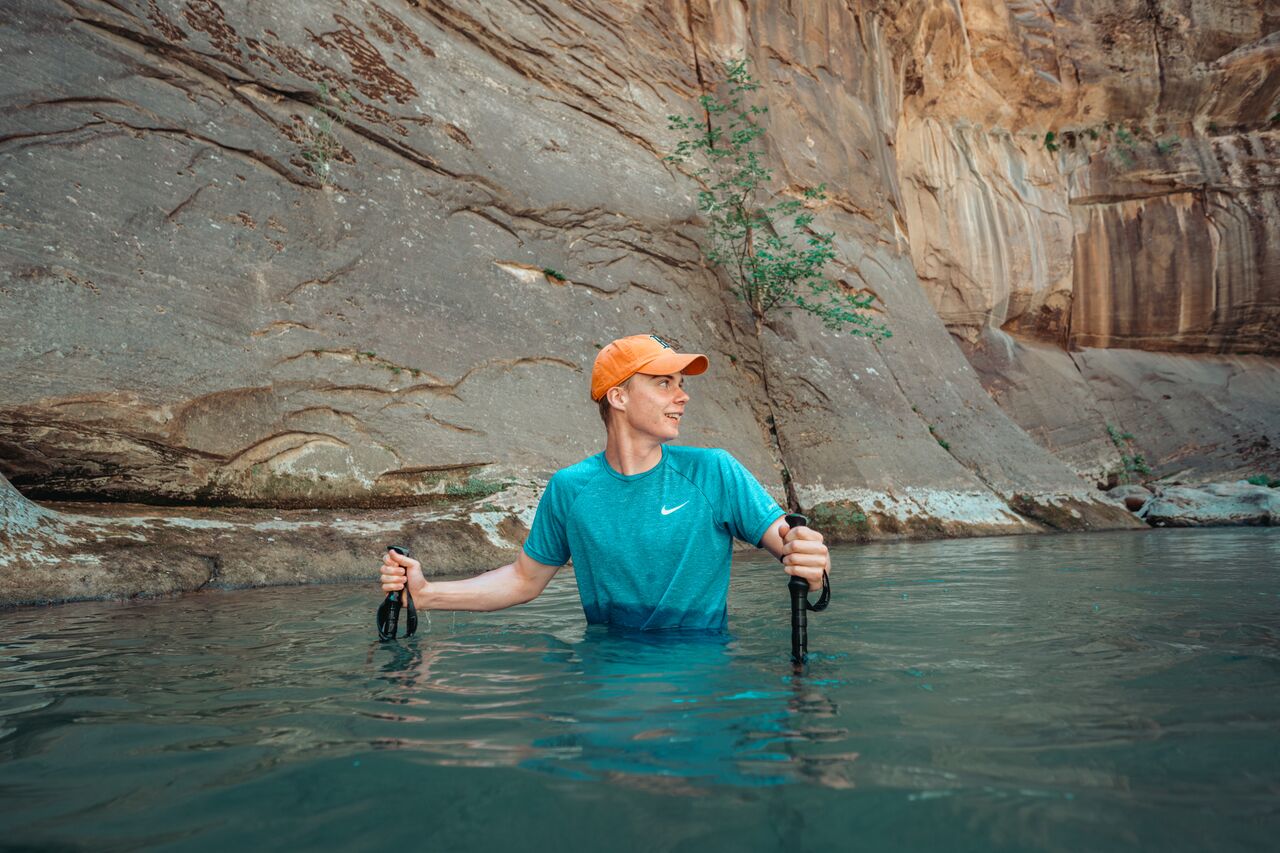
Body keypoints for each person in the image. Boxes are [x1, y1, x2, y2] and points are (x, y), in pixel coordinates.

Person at [378, 333, 831, 630]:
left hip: (700, 677)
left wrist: (812, 565)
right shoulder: (570, 488)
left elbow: (792, 547)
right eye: (663, 383)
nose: (682, 395)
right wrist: (427, 593)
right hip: (606, 673)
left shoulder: (713, 471)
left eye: (680, 383)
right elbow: (523, 580)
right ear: (618, 396)